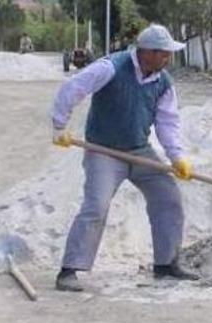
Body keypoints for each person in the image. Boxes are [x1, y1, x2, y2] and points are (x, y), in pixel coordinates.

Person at [51, 24, 195, 292]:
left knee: (168, 197)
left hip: (139, 151)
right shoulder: (111, 67)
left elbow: (167, 123)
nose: (168, 59)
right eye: (164, 54)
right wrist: (60, 127)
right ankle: (69, 270)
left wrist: (177, 158)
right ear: (147, 53)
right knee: (96, 205)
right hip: (104, 151)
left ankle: (166, 264)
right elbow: (73, 88)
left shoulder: (163, 81)